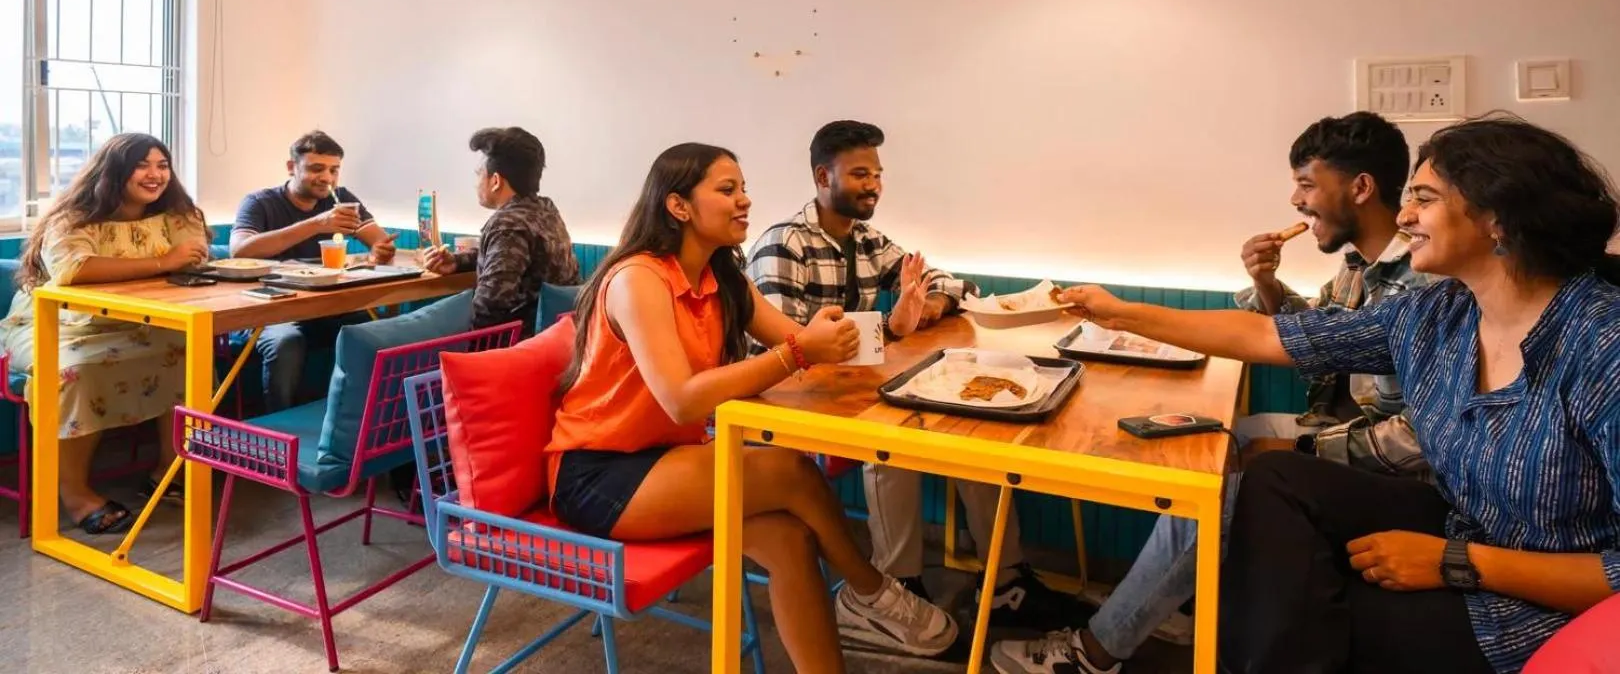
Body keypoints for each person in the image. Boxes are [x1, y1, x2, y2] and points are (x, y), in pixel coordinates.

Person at [1060, 116, 1620, 674]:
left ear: (1498, 217)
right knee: (1271, 482)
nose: (1403, 216)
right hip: (1463, 523)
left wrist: (1456, 562)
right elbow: (1267, 334)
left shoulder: (1603, 344)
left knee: (1282, 613)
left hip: (1540, 604)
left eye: (1423, 199)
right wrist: (1118, 312)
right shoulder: (1438, 313)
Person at [993, 112, 1434, 674]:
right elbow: (1315, 337)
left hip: (1404, 476)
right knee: (1215, 444)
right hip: (1340, 430)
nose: (1295, 201)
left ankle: (1095, 652)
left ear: (1361, 187)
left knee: (1223, 474)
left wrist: (1302, 453)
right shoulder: (1358, 268)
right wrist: (1267, 285)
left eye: (1306, 184)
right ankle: (1175, 599)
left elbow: (1425, 434)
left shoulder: (1422, 283)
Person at [544, 143, 959, 669]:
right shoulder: (638, 278)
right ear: (678, 206)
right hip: (599, 472)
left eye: (743, 188)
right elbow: (681, 399)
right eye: (727, 190)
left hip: (667, 459)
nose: (745, 201)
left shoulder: (725, 279)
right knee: (791, 472)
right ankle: (871, 593)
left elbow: (807, 344)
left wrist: (891, 327)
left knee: (789, 540)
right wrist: (798, 352)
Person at [748, 119, 1077, 629]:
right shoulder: (782, 244)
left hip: (845, 388)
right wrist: (890, 326)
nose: (874, 185)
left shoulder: (865, 239)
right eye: (860, 174)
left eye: (877, 174)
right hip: (779, 403)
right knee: (891, 444)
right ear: (821, 176)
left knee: (972, 429)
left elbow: (947, 280)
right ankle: (896, 586)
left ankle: (1004, 581)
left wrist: (930, 303)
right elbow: (788, 348)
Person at [1, 133, 210, 534]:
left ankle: (168, 471)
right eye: (142, 165)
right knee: (76, 370)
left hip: (139, 323)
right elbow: (73, 270)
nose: (155, 174)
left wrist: (175, 261)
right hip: (55, 325)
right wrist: (163, 260)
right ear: (113, 170)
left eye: (162, 165)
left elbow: (194, 256)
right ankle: (75, 493)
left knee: (187, 354)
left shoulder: (178, 214)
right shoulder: (74, 218)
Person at [230, 130, 396, 411]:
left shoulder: (341, 199)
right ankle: (279, 429)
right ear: (291, 167)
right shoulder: (260, 202)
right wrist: (316, 224)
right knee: (286, 342)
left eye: (334, 170)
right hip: (268, 308)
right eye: (316, 168)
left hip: (322, 306)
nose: (327, 178)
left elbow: (380, 242)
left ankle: (355, 419)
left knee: (372, 332)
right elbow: (240, 250)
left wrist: (380, 251)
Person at [420, 127, 581, 335]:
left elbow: (489, 308)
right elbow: (511, 260)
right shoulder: (545, 210)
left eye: (479, 175)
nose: (476, 183)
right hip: (559, 340)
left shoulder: (508, 225)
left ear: (495, 181)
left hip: (518, 349)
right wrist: (457, 262)